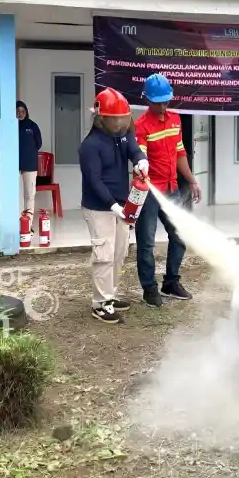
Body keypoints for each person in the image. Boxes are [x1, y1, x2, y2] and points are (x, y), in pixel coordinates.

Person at [78, 88, 149, 324]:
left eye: (124, 117)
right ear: (102, 118)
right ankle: (100, 304)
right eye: (116, 118)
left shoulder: (123, 135)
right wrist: (112, 205)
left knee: (119, 252)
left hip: (121, 205)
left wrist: (141, 160)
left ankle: (110, 296)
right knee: (104, 255)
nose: (121, 122)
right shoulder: (90, 146)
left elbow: (134, 149)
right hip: (99, 208)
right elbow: (93, 180)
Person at [134, 73, 200, 307]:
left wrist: (191, 180)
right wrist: (141, 172)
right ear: (148, 100)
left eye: (165, 101)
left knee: (179, 235)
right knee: (147, 243)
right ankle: (149, 289)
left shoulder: (175, 119)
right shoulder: (141, 126)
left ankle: (171, 282)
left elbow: (180, 153)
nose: (162, 106)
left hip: (172, 188)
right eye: (157, 101)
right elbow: (139, 158)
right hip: (151, 192)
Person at [16, 101, 43, 217]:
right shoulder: (12, 126)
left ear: (26, 112)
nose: (20, 114)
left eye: (23, 111)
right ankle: (19, 223)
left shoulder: (32, 126)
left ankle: (28, 225)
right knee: (17, 196)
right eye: (18, 111)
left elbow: (39, 143)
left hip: (30, 166)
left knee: (30, 195)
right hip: (15, 167)